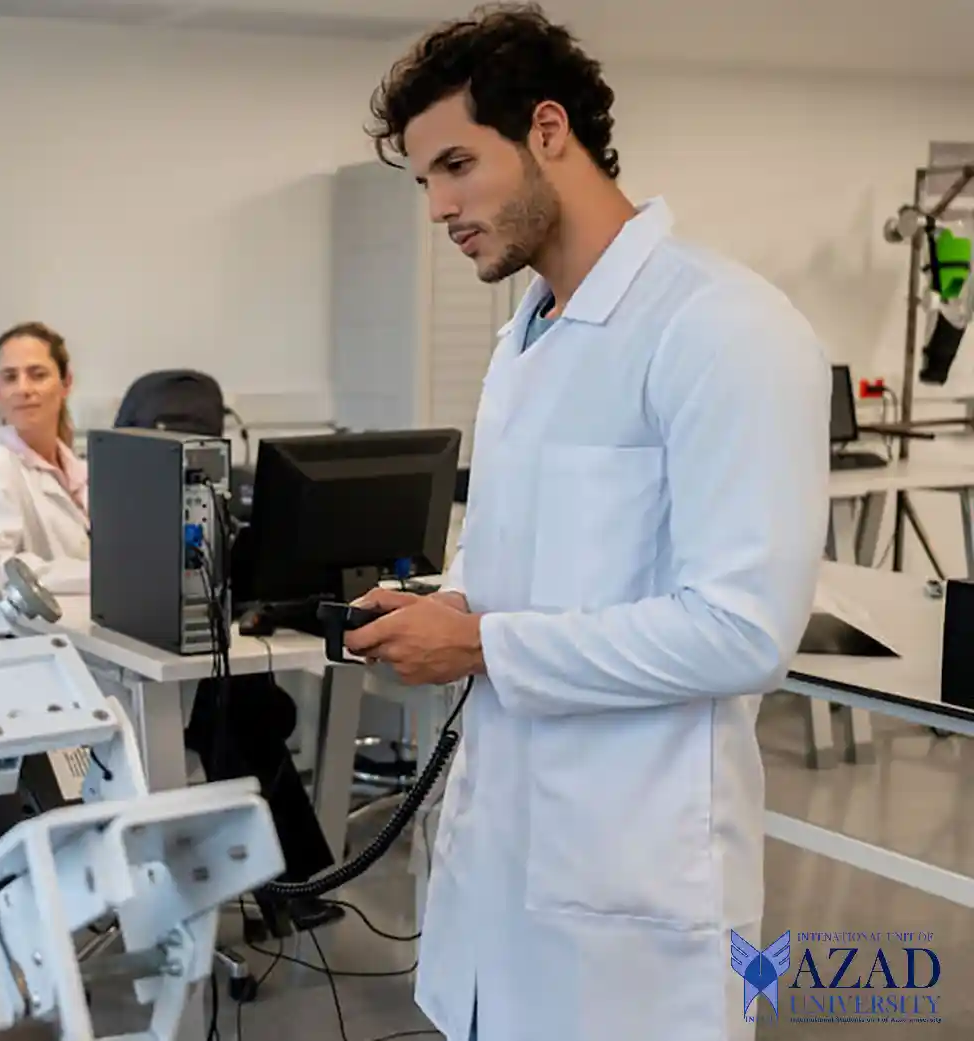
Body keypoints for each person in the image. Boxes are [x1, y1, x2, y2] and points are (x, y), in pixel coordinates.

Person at [346, 6, 828, 1041]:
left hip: (630, 898)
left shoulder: (721, 328)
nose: (438, 208)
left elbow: (742, 630)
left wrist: (476, 642)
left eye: (457, 166)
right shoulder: (526, 334)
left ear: (549, 131)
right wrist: (449, 602)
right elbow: (519, 551)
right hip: (501, 870)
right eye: (425, 180)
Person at [0, 321, 90, 593]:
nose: (23, 388)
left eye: (37, 374)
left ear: (66, 384)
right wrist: (101, 576)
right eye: (9, 377)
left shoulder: (83, 471)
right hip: (39, 632)